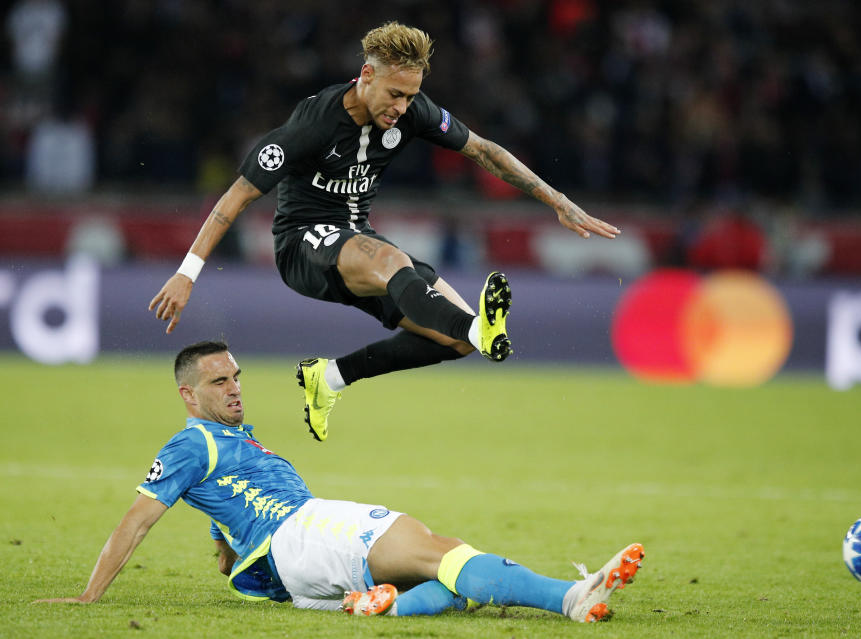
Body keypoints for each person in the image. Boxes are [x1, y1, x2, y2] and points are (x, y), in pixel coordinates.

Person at [148, 22, 620, 443]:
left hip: (361, 242)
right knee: (401, 269)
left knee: (450, 340)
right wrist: (187, 274)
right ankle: (481, 328)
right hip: (303, 245)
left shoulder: (413, 111)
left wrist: (557, 200)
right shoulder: (312, 124)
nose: (403, 107)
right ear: (366, 76)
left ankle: (330, 378)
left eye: (412, 95)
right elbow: (233, 200)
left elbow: (485, 151)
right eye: (395, 94)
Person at [34, 341, 645, 622]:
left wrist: (228, 551)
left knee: (447, 575)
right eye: (220, 382)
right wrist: (91, 598)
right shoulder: (190, 442)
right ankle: (571, 597)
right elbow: (137, 520)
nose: (236, 387)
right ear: (188, 394)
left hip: (300, 549)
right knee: (444, 552)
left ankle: (385, 606)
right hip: (305, 531)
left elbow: (223, 505)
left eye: (237, 376)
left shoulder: (230, 441)